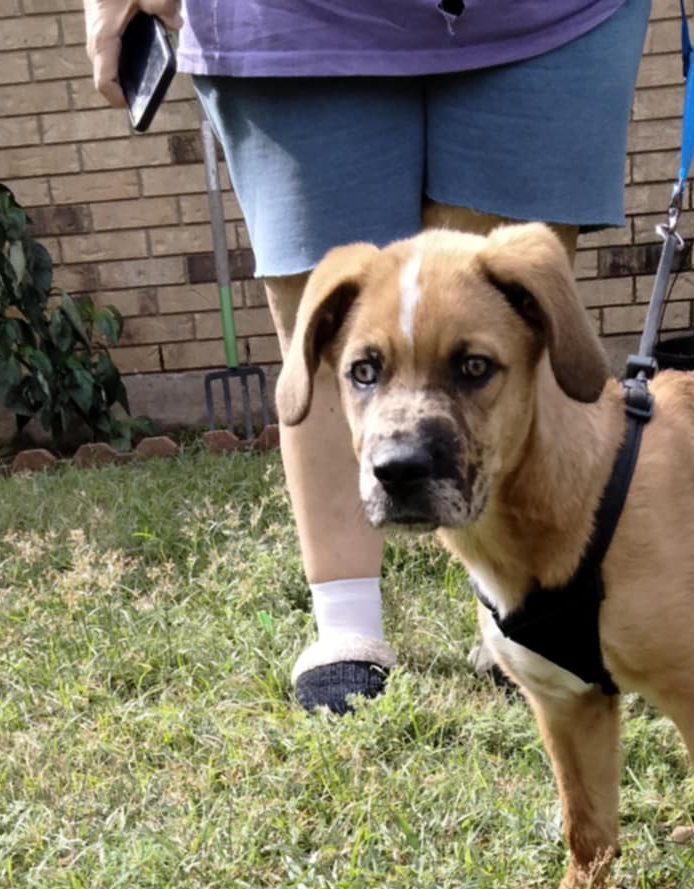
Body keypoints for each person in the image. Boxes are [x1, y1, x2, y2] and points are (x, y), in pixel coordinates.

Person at [83, 0, 652, 713]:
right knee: (330, 318)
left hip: (545, 16)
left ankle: (518, 611)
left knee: (491, 318)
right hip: (291, 19)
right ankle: (346, 626)